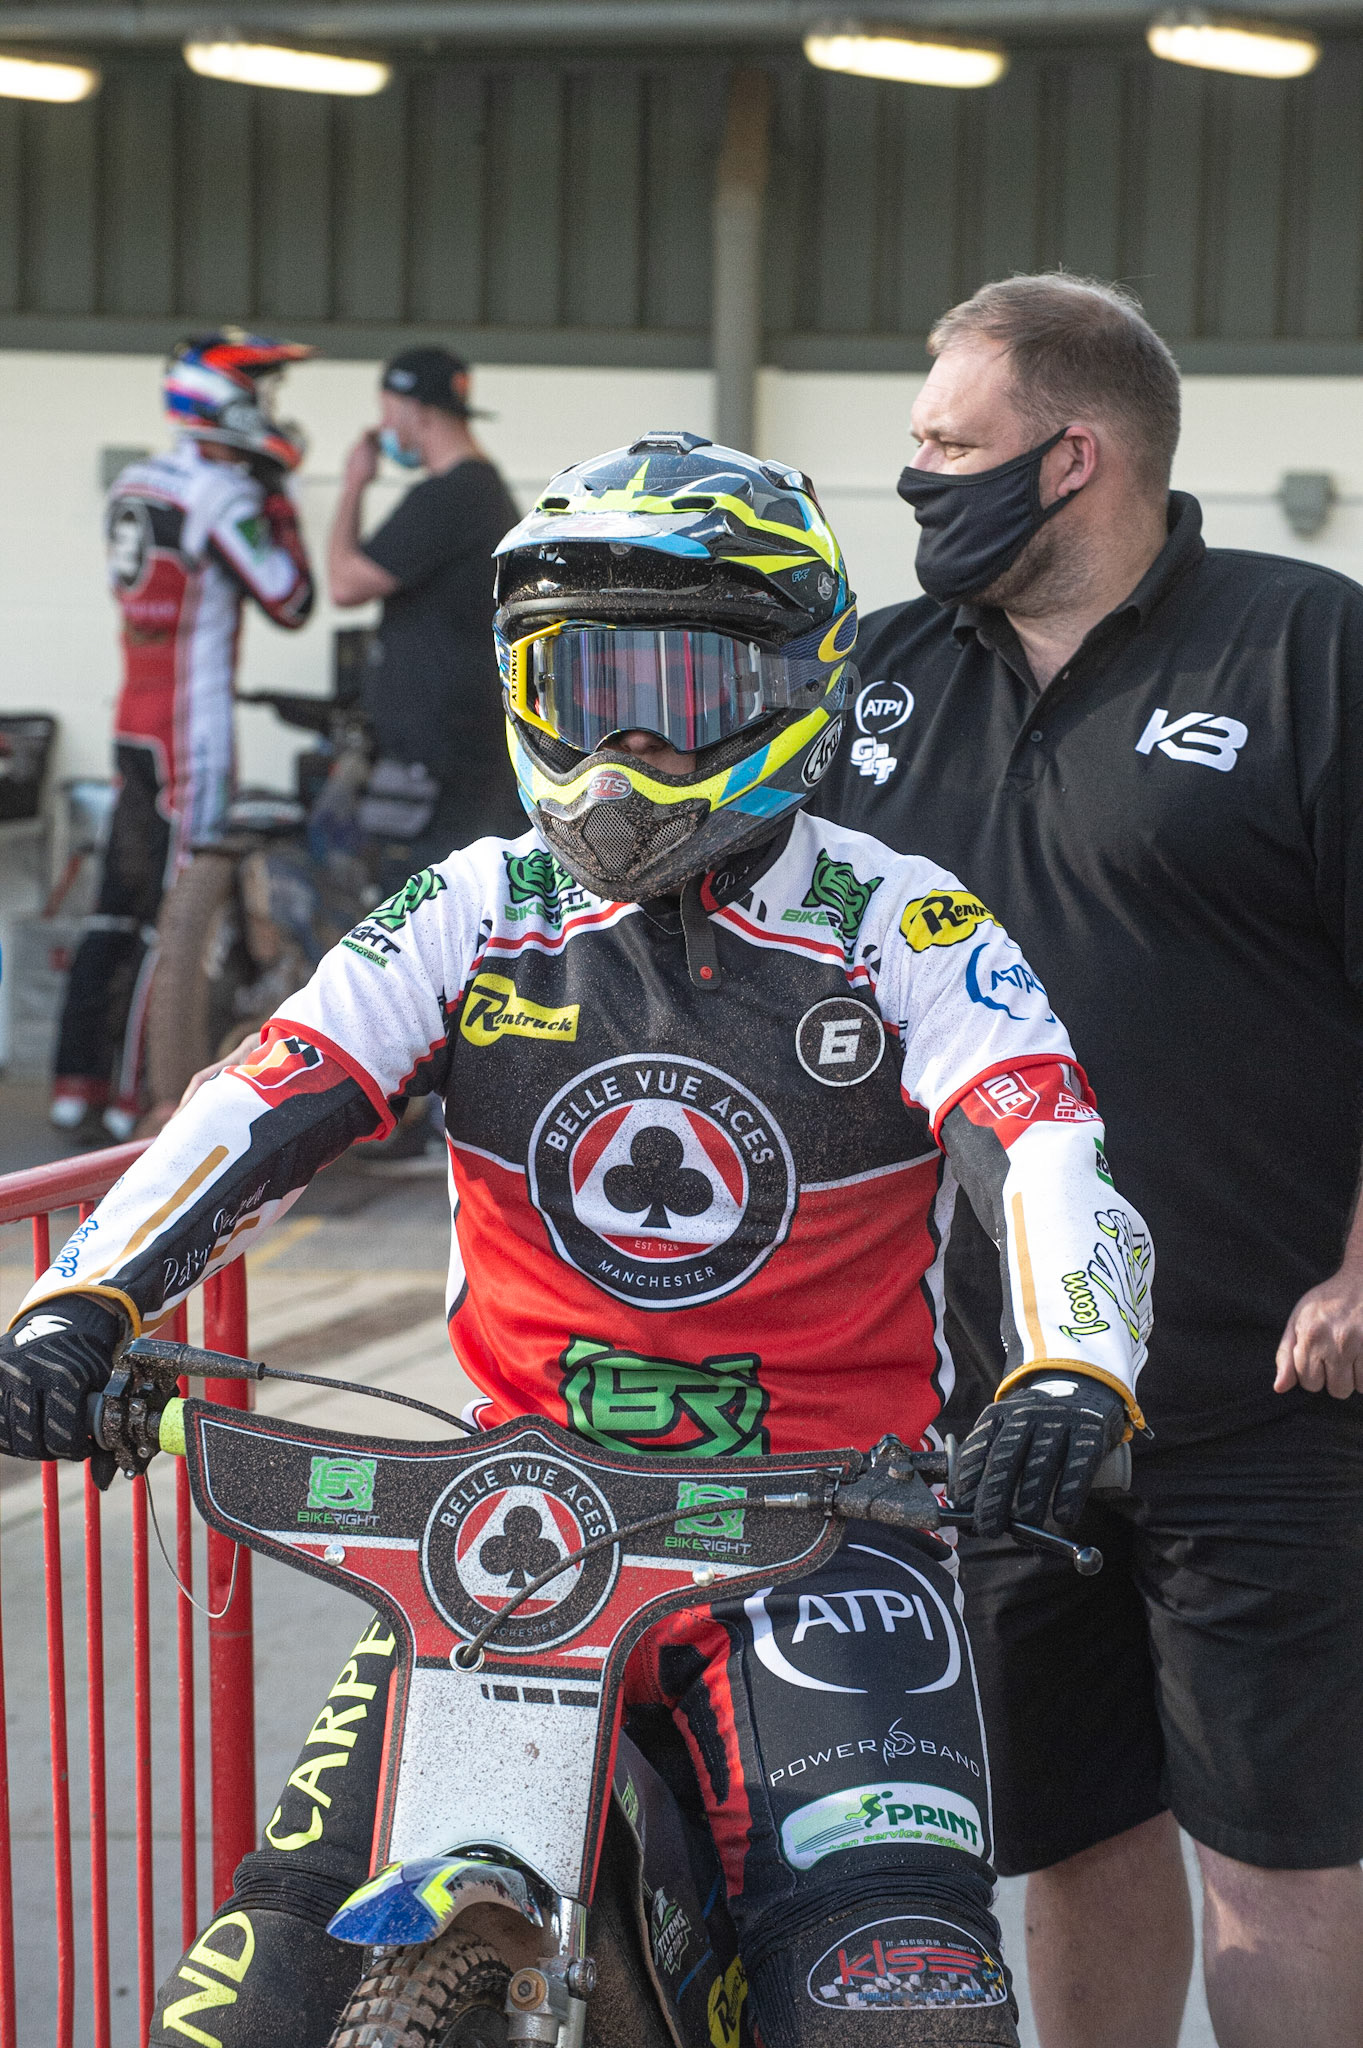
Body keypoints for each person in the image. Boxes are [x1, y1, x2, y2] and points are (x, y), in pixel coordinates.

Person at [0, 433, 1152, 2048]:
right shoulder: (473, 903)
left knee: (895, 1991)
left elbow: (1044, 1140)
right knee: (254, 1991)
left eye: (673, 690)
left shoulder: (903, 919)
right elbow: (266, 1092)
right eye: (581, 679)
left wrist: (1071, 1371)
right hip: (506, 1531)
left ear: (789, 681)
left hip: (822, 1538)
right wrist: (76, 1303)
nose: (620, 742)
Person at [813, 274, 1363, 2048]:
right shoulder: (872, 679)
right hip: (984, 1403)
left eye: (945, 446)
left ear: (1072, 457)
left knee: (1274, 1869)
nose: (913, 480)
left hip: (1257, 1395)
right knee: (1067, 1839)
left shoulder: (1303, 651)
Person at [50, 330, 315, 1143]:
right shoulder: (222, 493)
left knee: (114, 911)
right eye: (259, 393)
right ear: (223, 398)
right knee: (173, 914)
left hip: (132, 716)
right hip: (189, 732)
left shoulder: (139, 478)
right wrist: (277, 498)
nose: (270, 411)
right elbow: (290, 596)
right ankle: (139, 1098)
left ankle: (75, 1084)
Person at [327, 346, 524, 876]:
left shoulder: (451, 497)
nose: (384, 426)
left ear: (418, 411)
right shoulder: (478, 492)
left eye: (389, 410)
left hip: (444, 771)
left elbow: (344, 582)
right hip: (457, 758)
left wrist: (353, 484)